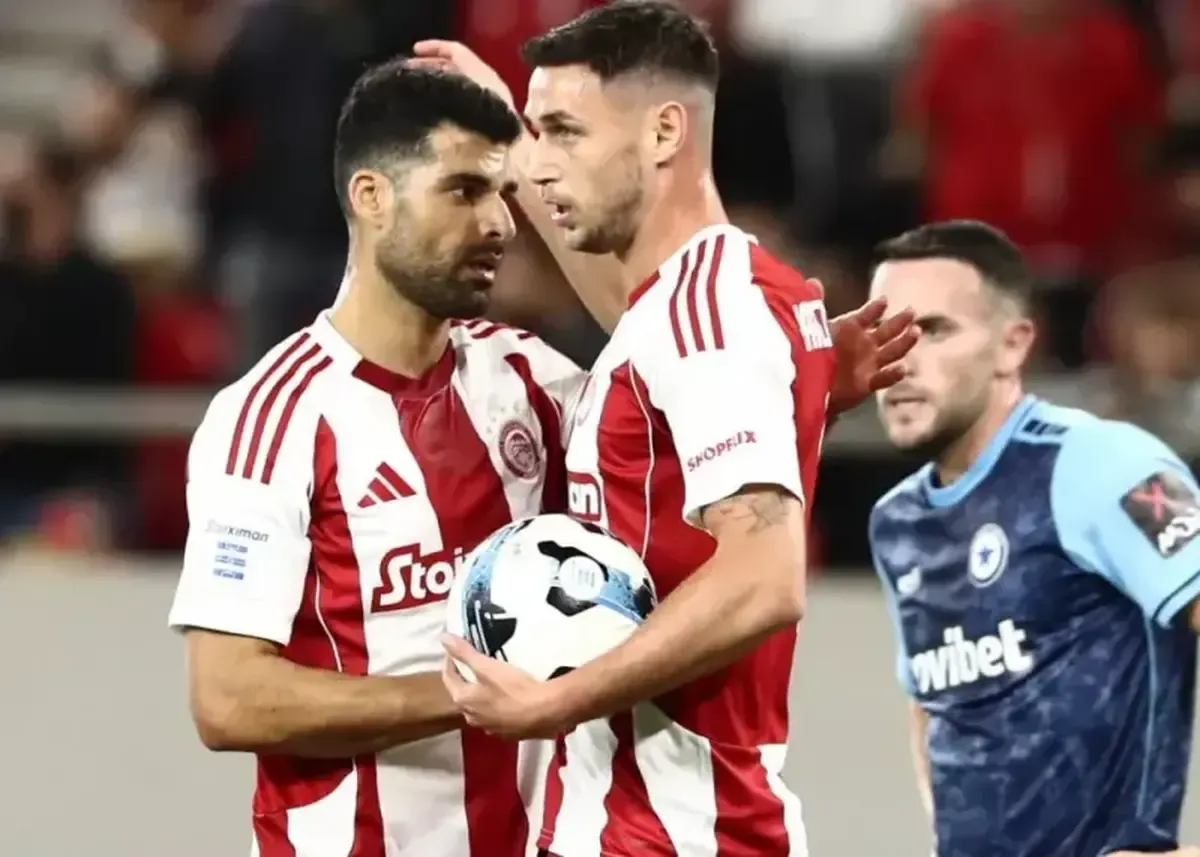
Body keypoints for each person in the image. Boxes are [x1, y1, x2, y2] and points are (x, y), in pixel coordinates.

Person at [167, 57, 914, 856]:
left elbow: (672, 424)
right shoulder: (269, 417)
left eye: (502, 192)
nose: (498, 222)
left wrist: (795, 384)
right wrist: (479, 694)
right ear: (372, 198)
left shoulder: (527, 380)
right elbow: (228, 698)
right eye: (464, 191)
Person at [417, 3, 918, 855]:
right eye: (534, 132)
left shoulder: (709, 318)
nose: (539, 163)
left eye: (565, 132)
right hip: (645, 819)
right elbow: (643, 335)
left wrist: (554, 700)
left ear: (663, 132)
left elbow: (766, 578)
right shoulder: (712, 297)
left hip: (673, 828)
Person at [866, 220, 1200, 857]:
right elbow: (933, 709)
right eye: (884, 333)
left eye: (933, 330)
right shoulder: (896, 521)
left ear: (1012, 346)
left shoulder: (1106, 465)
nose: (899, 361)